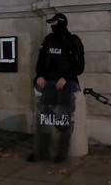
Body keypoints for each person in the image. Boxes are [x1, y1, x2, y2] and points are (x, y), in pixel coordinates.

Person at [31, 13, 85, 162]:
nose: (52, 25)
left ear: (61, 22)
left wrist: (66, 77)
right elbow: (40, 62)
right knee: (44, 119)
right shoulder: (48, 40)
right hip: (48, 85)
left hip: (67, 86)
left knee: (65, 119)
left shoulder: (73, 41)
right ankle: (42, 153)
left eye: (54, 22)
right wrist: (40, 75)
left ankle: (62, 154)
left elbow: (80, 66)